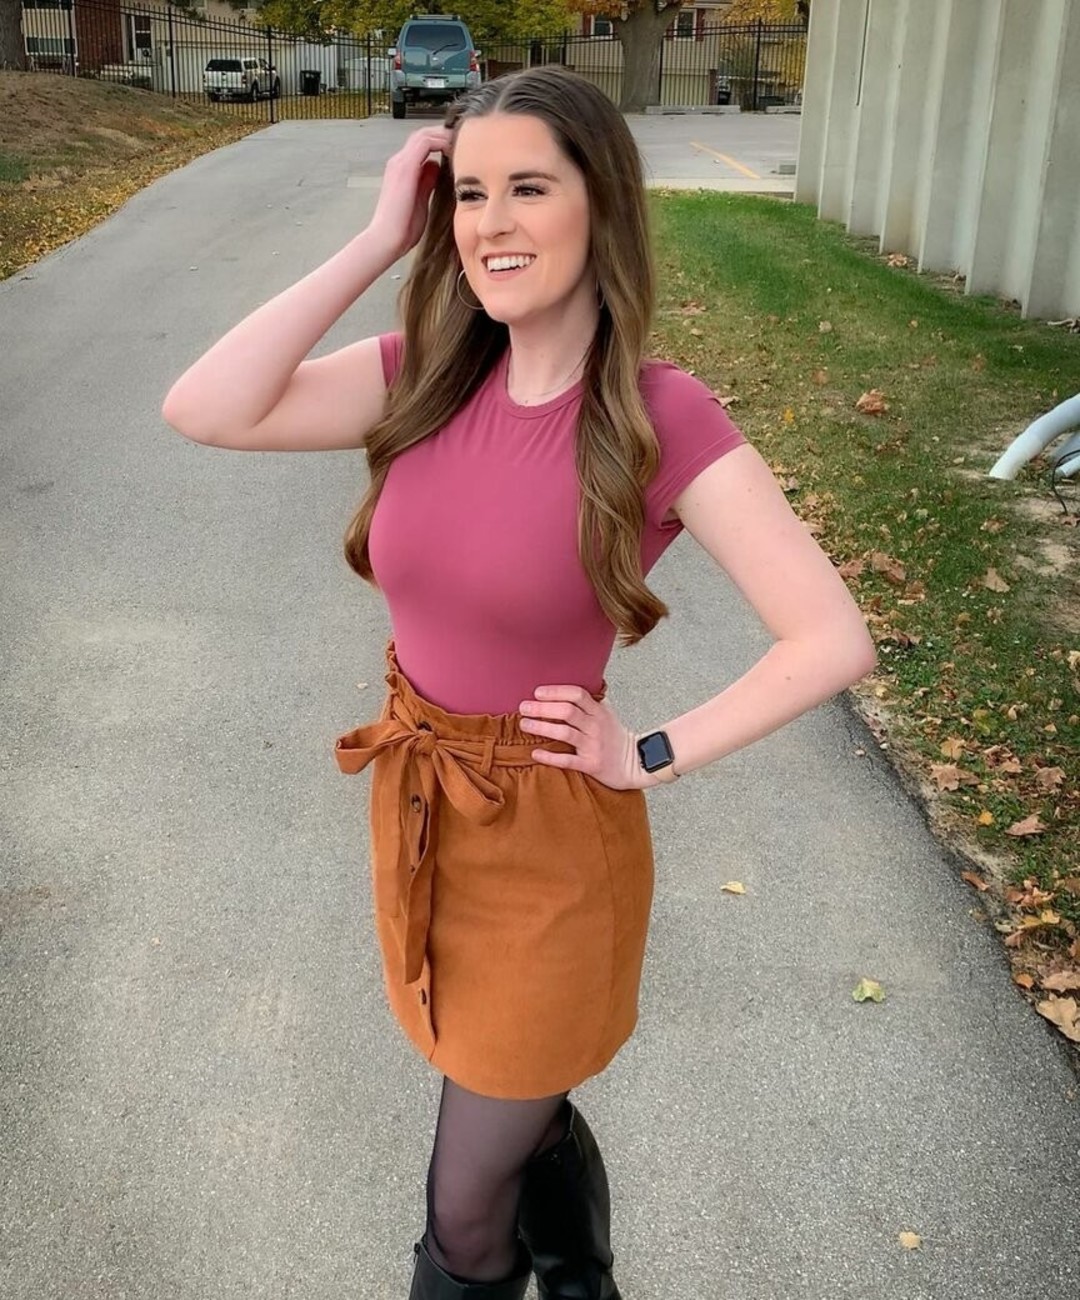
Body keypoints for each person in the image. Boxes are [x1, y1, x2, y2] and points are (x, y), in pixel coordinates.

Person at [163, 66, 876, 1300]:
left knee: (464, 1208)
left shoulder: (658, 416)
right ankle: (584, 1278)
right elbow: (205, 407)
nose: (492, 223)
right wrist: (379, 238)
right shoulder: (426, 374)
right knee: (506, 1100)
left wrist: (647, 752)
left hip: (550, 849)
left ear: (602, 203)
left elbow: (830, 637)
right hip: (425, 811)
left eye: (529, 189)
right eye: (470, 193)